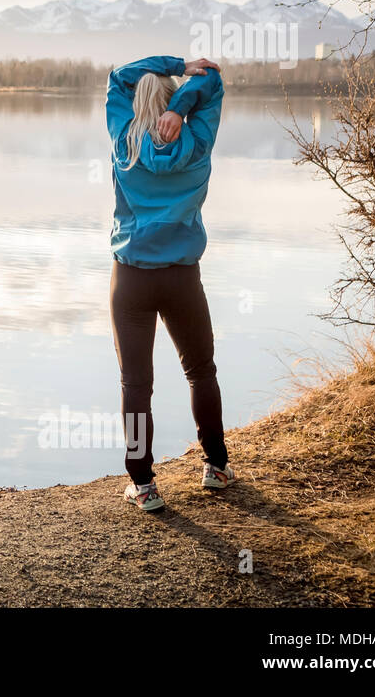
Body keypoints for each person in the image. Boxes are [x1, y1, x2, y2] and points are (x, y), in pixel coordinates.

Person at [105, 55, 233, 512]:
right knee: (201, 371)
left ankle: (143, 485)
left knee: (135, 385)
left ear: (137, 101)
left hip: (132, 279)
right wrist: (182, 105)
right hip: (182, 277)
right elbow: (214, 82)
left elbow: (118, 76)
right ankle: (216, 467)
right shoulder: (198, 137)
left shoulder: (124, 139)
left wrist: (174, 62)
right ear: (169, 102)